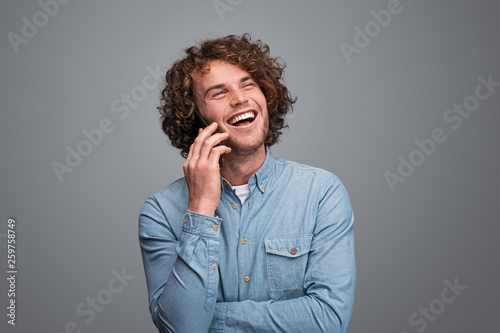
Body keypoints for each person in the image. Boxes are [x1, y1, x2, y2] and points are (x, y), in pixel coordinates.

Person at [139, 33, 356, 333]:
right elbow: (182, 329)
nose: (240, 98)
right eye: (219, 93)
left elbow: (328, 321)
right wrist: (201, 208)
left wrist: (216, 319)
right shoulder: (160, 212)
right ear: (195, 118)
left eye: (248, 84)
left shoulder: (321, 193)